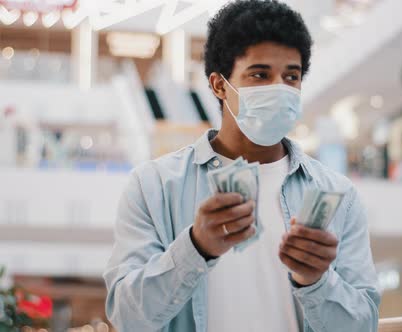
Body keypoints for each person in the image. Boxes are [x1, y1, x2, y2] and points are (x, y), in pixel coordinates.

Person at [103, 1, 380, 331]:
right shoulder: (154, 186)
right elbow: (126, 316)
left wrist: (316, 281)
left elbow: (363, 325)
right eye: (260, 74)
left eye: (291, 76)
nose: (279, 87)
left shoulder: (338, 195)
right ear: (219, 85)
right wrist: (195, 247)